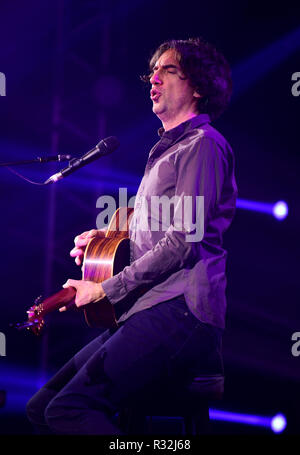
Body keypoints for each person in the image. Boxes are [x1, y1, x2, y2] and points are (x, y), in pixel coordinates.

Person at [26, 37, 237, 434]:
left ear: (198, 86)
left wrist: (104, 290)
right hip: (147, 308)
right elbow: (152, 226)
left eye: (167, 70)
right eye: (152, 71)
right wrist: (103, 238)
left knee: (68, 409)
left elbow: (183, 241)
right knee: (42, 407)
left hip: (182, 311)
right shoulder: (168, 149)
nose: (153, 78)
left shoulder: (203, 145)